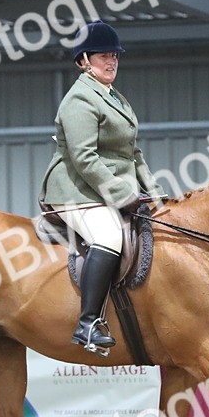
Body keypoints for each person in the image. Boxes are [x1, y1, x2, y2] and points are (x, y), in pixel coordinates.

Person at [38, 20, 164, 354]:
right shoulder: (79, 100)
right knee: (108, 237)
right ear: (83, 60)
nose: (111, 62)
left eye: (115, 56)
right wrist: (125, 196)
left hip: (105, 189)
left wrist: (154, 193)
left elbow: (132, 153)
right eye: (103, 56)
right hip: (76, 191)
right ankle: (88, 323)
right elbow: (83, 157)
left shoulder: (115, 98)